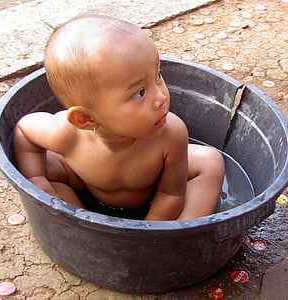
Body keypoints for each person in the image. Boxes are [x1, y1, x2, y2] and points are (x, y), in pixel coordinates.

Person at [13, 13, 224, 221]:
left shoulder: (171, 134)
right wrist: (36, 177)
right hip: (84, 181)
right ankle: (85, 226)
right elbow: (24, 129)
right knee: (48, 171)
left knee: (210, 162)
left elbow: (171, 195)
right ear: (85, 120)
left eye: (157, 75)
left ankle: (184, 233)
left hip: (154, 191)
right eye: (139, 93)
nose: (161, 96)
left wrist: (147, 233)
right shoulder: (65, 135)